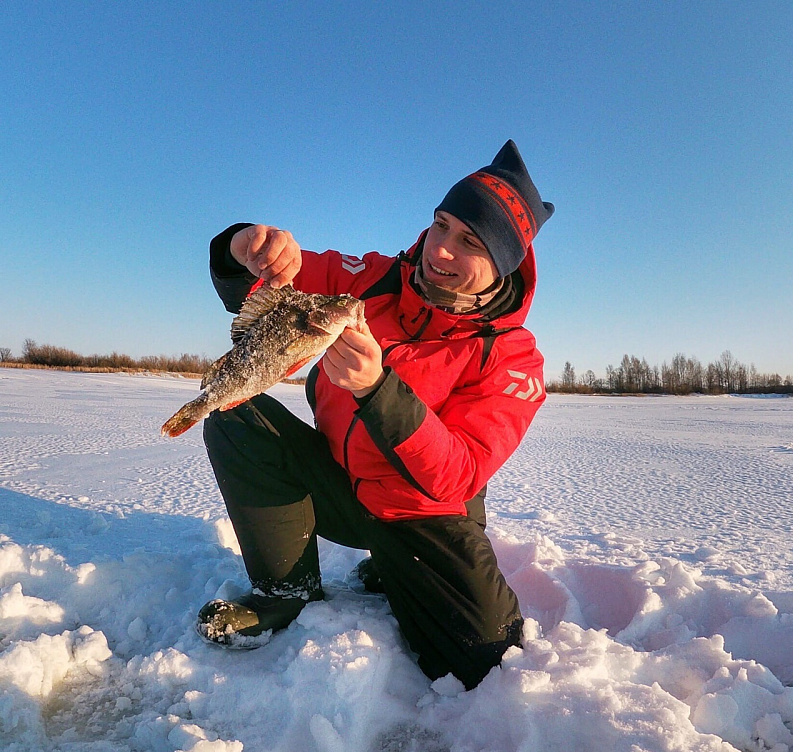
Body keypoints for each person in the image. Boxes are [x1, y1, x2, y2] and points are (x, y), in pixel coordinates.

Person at [198, 140, 554, 690]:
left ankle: (394, 565)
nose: (441, 250)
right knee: (234, 416)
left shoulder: (512, 355)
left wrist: (378, 389)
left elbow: (457, 473)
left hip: (425, 514)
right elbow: (279, 281)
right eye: (440, 226)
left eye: (470, 241)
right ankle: (283, 591)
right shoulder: (375, 279)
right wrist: (246, 247)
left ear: (504, 263)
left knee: (488, 662)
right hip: (343, 488)